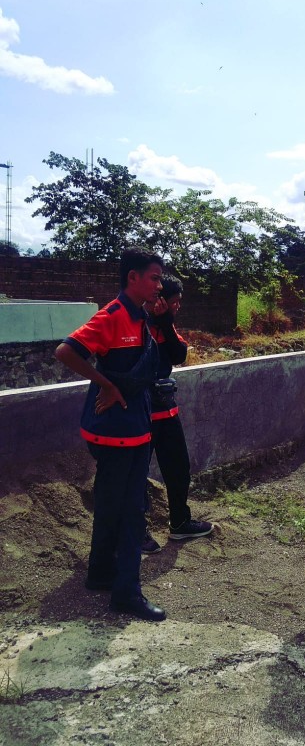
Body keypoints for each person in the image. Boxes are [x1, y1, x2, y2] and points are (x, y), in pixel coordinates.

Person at [55, 248, 167, 622]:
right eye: (153, 278)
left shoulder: (141, 316)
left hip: (130, 426)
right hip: (120, 432)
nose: (159, 285)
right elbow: (66, 351)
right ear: (132, 277)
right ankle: (126, 592)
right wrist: (105, 383)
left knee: (108, 503)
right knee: (132, 510)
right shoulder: (113, 315)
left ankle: (100, 572)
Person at [143, 275, 213, 551]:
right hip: (141, 415)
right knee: (136, 476)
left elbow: (179, 355)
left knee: (179, 469)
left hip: (167, 412)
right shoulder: (138, 324)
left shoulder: (165, 325)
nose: (178, 307)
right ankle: (137, 531)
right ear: (159, 300)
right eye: (174, 302)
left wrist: (165, 323)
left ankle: (180, 523)